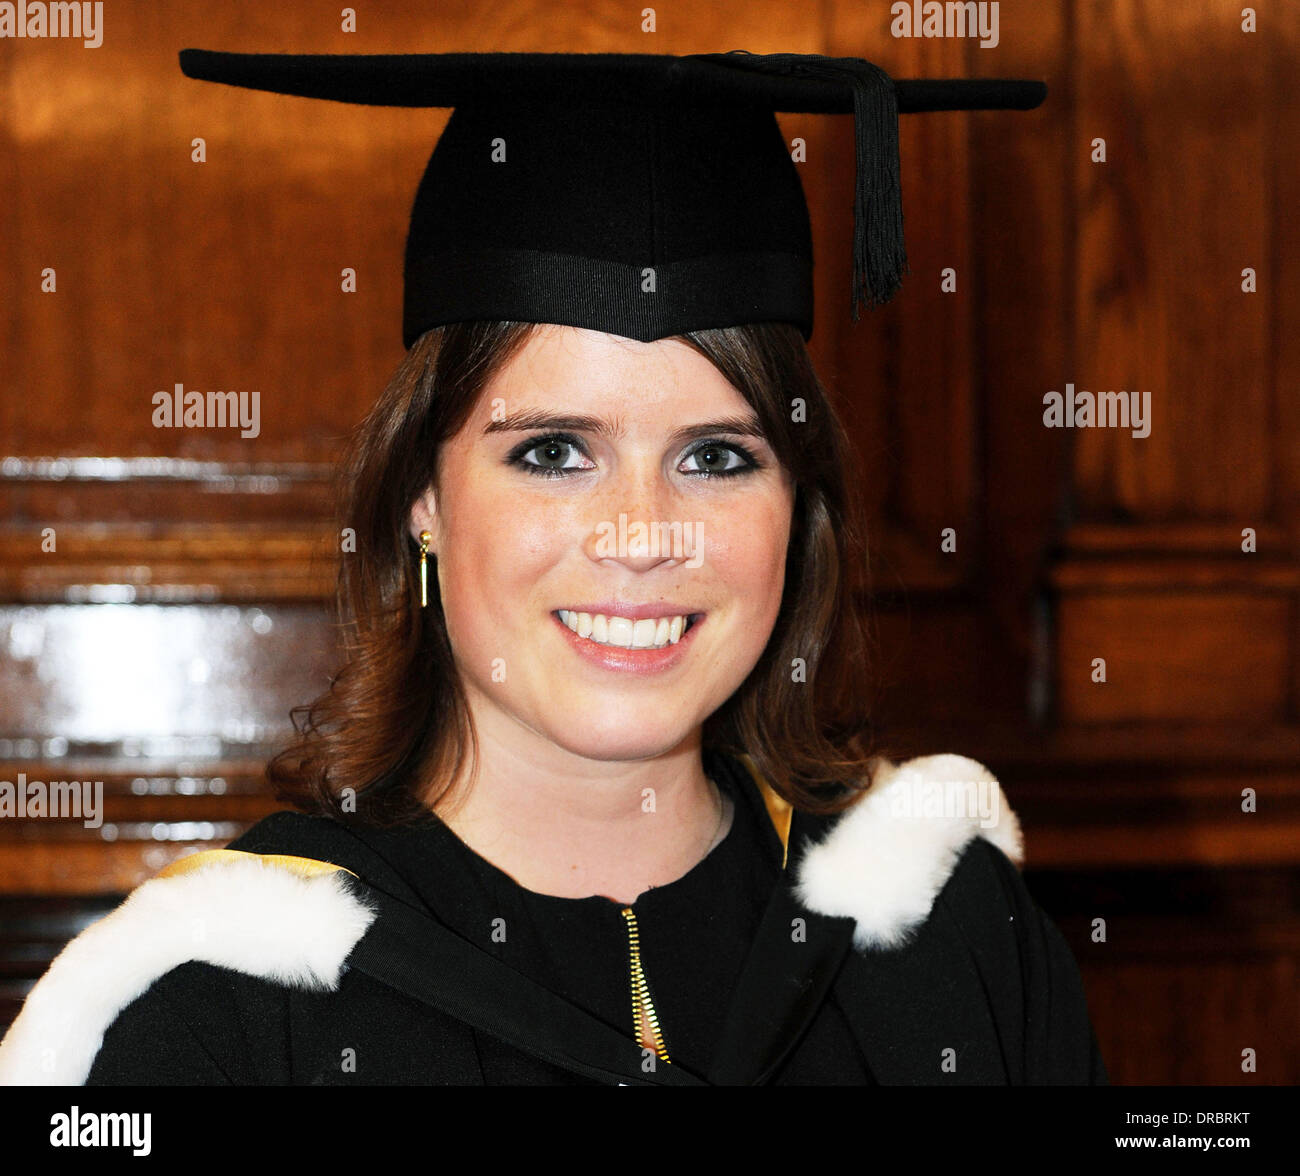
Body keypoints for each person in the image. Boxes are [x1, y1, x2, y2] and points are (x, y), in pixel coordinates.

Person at [0, 48, 1106, 1086]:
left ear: (797, 507)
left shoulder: (951, 936)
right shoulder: (222, 1005)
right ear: (421, 500)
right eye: (552, 453)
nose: (639, 532)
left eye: (717, 457)